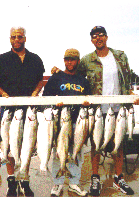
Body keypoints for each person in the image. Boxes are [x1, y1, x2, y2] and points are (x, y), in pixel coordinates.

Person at [52, 26, 135, 196]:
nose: (98, 38)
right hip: (96, 111)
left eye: (101, 35)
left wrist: (131, 93)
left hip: (118, 110)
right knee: (95, 145)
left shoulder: (120, 56)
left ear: (106, 37)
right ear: (91, 40)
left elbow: (127, 77)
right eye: (95, 36)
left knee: (118, 145)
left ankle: (119, 178)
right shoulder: (87, 60)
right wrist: (59, 73)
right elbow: (74, 77)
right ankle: (95, 177)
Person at [0, 26, 45, 197]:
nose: (16, 40)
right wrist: (3, 94)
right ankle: (12, 181)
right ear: (9, 39)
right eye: (13, 37)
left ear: (25, 38)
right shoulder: (2, 59)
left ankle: (25, 180)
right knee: (9, 144)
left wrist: (36, 92)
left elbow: (41, 80)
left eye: (19, 37)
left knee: (27, 145)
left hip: (29, 111)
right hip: (8, 111)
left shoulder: (35, 59)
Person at [43, 49, 90, 197]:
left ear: (78, 61)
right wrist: (54, 104)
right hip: (60, 123)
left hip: (78, 123)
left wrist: (88, 104)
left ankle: (74, 183)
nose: (69, 62)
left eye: (73, 59)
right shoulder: (56, 78)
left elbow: (90, 99)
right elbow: (45, 98)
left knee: (77, 154)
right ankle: (58, 184)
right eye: (67, 59)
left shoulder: (83, 80)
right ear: (64, 60)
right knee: (59, 153)